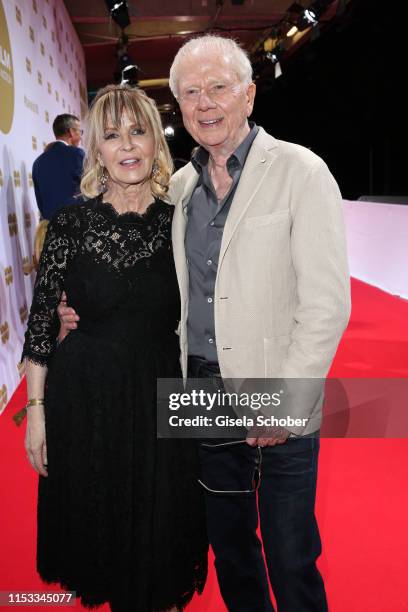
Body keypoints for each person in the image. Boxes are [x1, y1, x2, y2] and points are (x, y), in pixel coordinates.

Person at [60, 36, 351, 611]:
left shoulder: (300, 171)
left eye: (219, 87)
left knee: (291, 556)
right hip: (200, 397)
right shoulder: (180, 189)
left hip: (274, 395)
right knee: (231, 552)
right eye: (190, 92)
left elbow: (326, 305)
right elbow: (151, 288)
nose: (205, 102)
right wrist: (83, 312)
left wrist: (283, 402)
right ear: (178, 106)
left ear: (248, 93)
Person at [22, 84, 208, 611]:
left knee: (163, 546)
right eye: (111, 135)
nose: (127, 145)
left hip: (162, 399)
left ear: (155, 141)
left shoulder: (183, 221)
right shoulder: (70, 226)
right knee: (101, 546)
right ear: (95, 151)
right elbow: (41, 326)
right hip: (87, 400)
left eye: (138, 130)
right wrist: (36, 413)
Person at [32, 114, 85, 220]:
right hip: (76, 225)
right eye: (80, 131)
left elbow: (40, 203)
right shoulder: (77, 154)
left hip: (51, 229)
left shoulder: (37, 163)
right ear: (71, 132)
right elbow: (89, 189)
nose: (81, 136)